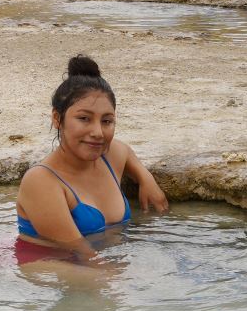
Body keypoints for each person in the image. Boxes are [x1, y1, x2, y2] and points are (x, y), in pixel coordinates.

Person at [15, 55, 167, 267]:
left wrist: (145, 177)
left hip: (97, 261)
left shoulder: (110, 155)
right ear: (57, 119)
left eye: (106, 121)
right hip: (50, 266)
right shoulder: (41, 180)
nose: (98, 132)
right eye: (84, 118)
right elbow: (79, 250)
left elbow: (125, 151)